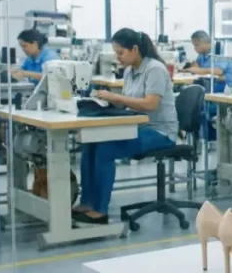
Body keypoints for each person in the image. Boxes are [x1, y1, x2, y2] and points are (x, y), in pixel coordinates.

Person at [74, 28, 177, 224]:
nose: (117, 57)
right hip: (137, 125)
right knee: (90, 144)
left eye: (120, 52)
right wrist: (102, 100)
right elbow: (127, 102)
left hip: (159, 131)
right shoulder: (130, 71)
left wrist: (115, 96)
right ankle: (87, 201)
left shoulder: (155, 69)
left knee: (105, 150)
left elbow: (150, 104)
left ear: (135, 49)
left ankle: (100, 210)